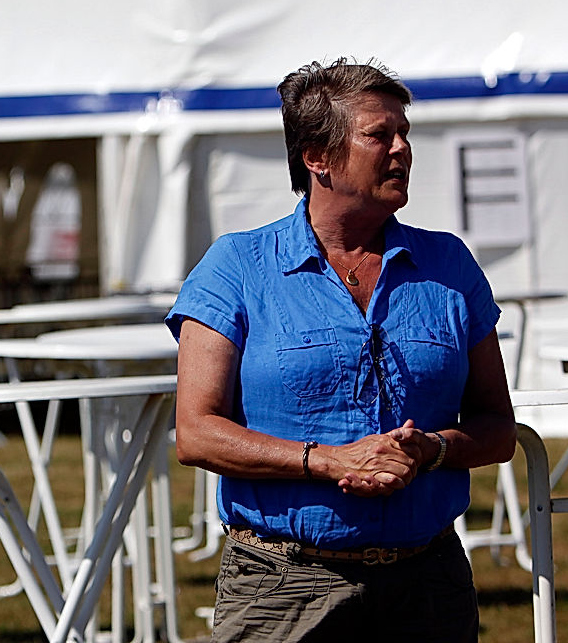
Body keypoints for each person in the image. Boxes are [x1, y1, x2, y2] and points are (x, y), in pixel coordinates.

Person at [166, 58, 515, 643]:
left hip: (428, 584)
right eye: (380, 135)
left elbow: (498, 428)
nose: (402, 149)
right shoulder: (238, 267)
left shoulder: (449, 265)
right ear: (317, 157)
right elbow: (196, 432)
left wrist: (429, 449)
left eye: (405, 133)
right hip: (282, 586)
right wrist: (329, 461)